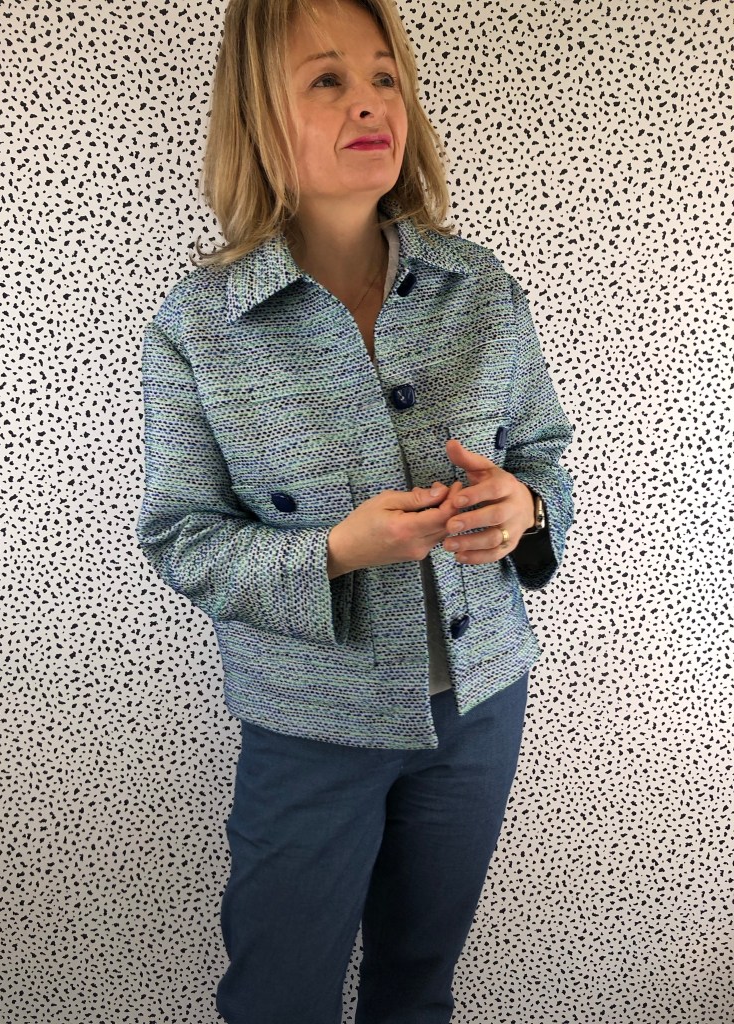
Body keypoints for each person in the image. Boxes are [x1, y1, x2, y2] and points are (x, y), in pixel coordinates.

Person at [136, 0, 574, 1020]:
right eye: (327, 80)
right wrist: (335, 549)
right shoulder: (201, 325)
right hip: (308, 722)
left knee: (418, 984)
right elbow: (180, 536)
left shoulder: (479, 288)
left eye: (384, 77)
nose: (370, 103)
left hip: (481, 703)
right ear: (258, 116)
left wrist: (522, 507)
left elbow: (545, 454)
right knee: (278, 998)